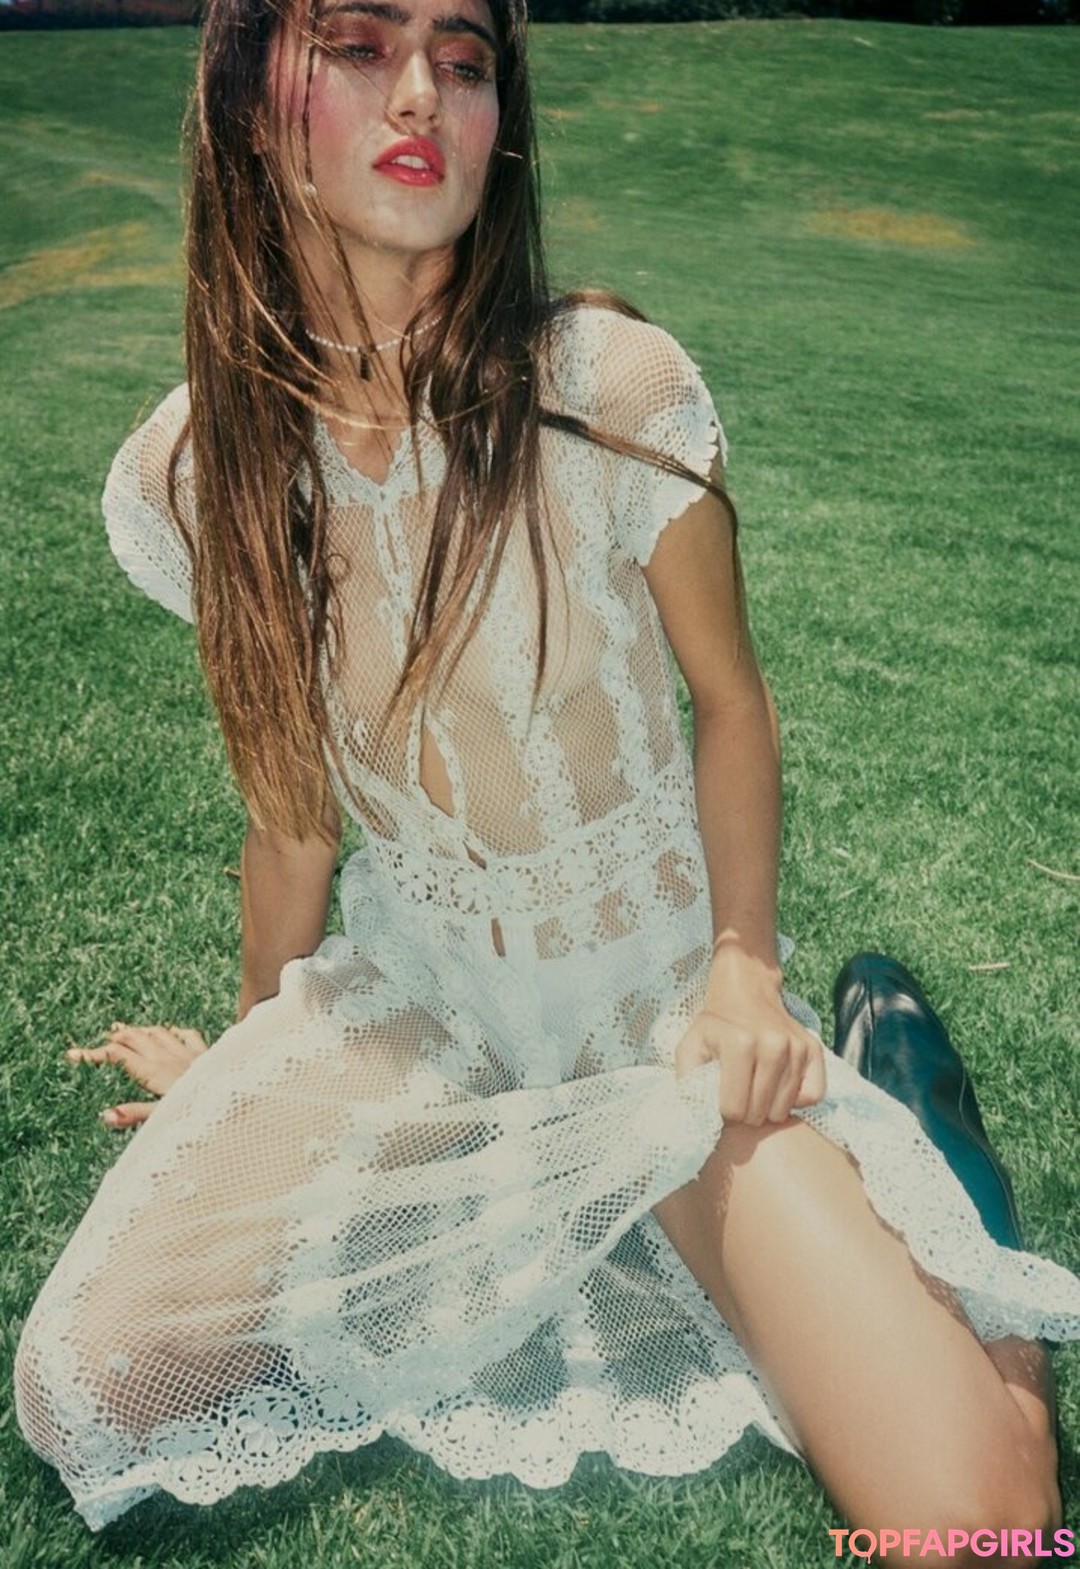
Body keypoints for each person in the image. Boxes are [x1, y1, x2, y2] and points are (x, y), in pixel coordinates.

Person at [13, 0, 1079, 1556]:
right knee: (94, 1385)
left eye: (462, 59)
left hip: (648, 1004)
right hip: (422, 1005)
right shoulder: (202, 466)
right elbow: (292, 816)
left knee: (979, 1519)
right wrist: (248, 1074)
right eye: (360, 43)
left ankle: (933, 1146)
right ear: (253, 103)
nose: (421, 93)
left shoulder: (610, 388)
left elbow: (731, 701)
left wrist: (740, 967)